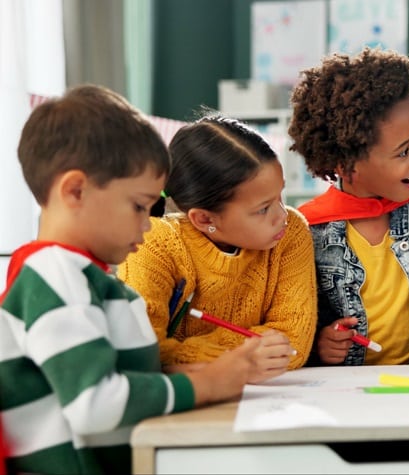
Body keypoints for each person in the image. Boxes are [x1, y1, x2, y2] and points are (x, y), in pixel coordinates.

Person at [0, 84, 280, 474]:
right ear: (76, 191)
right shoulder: (55, 274)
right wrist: (206, 385)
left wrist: (183, 374)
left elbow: (114, 377)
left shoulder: (84, 278)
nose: (147, 225)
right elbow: (93, 404)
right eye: (137, 206)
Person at [287, 47, 409, 366]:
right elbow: (294, 325)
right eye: (403, 152)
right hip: (349, 393)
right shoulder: (307, 232)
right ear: (346, 162)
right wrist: (319, 345)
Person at [117, 115, 317, 373]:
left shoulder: (291, 232)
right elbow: (144, 352)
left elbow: (293, 344)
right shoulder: (154, 244)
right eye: (263, 208)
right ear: (204, 219)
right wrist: (242, 358)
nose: (282, 215)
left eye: (281, 195)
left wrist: (186, 354)